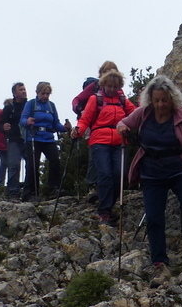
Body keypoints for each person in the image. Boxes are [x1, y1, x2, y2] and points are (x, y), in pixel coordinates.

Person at [117, 74, 182, 285]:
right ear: (151, 99)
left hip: (180, 168)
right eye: (156, 100)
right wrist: (122, 127)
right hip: (152, 172)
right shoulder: (143, 114)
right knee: (154, 217)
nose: (160, 104)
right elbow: (123, 122)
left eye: (164, 100)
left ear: (172, 99)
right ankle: (160, 265)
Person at [72, 69, 135, 224]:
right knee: (106, 173)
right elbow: (85, 119)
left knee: (119, 174)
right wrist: (78, 131)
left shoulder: (122, 99)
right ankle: (105, 211)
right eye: (109, 86)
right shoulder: (95, 99)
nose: (112, 89)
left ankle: (108, 204)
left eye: (115, 86)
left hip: (119, 141)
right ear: (104, 85)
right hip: (99, 141)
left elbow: (134, 114)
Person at [73, 61, 119, 202]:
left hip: (112, 130)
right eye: (106, 72)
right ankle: (92, 185)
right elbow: (77, 100)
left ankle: (102, 188)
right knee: (95, 155)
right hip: (92, 125)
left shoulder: (117, 91)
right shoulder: (95, 87)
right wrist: (82, 111)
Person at [22, 82, 71, 199]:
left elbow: (56, 123)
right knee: (33, 164)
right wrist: (27, 121)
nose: (45, 96)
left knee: (55, 161)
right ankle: (31, 192)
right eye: (43, 93)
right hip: (34, 137)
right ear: (37, 93)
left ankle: (54, 188)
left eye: (47, 94)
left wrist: (64, 128)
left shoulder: (51, 106)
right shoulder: (31, 104)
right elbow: (23, 119)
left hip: (48, 138)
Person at [1, 82, 31, 200]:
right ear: (14, 93)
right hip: (14, 140)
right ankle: (13, 192)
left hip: (28, 139)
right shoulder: (9, 108)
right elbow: (1, 123)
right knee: (13, 165)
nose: (24, 91)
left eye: (24, 89)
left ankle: (29, 192)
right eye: (21, 89)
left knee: (31, 165)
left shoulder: (30, 106)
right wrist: (4, 126)